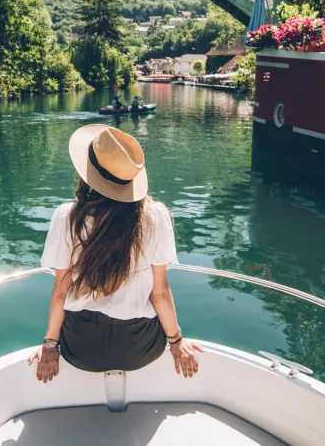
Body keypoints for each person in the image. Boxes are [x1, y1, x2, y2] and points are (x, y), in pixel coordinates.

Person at [28, 125, 203, 382]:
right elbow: (160, 292)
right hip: (141, 349)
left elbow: (61, 292)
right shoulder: (155, 216)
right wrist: (176, 342)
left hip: (82, 350)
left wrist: (51, 345)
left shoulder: (68, 217)